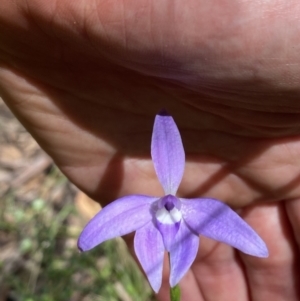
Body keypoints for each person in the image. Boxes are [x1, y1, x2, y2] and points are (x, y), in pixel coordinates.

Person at [0, 1, 299, 300]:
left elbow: (241, 235)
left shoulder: (194, 211)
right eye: (167, 206)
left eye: (168, 206)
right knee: (167, 280)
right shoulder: (145, 210)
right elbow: (96, 232)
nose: (168, 206)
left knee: (178, 278)